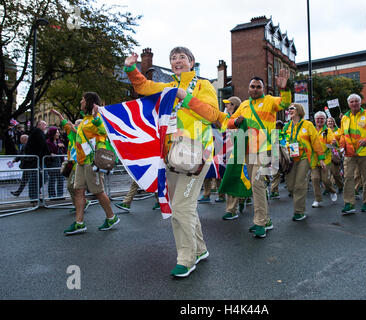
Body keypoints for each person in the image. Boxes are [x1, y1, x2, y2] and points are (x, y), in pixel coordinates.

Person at [124, 47, 228, 277]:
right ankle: (200, 250)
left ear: (192, 62)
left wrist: (185, 97)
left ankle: (187, 257)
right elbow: (143, 86)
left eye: (182, 57)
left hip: (197, 157)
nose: (177, 61)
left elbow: (212, 115)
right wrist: (131, 67)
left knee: (182, 207)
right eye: (173, 58)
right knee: (182, 206)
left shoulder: (203, 85)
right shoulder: (167, 87)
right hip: (171, 157)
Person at [225, 71, 291, 238]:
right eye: (252, 86)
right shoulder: (245, 105)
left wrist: (284, 89)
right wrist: (235, 121)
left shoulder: (269, 100)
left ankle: (260, 222)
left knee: (257, 183)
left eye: (258, 87)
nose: (255, 89)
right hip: (247, 150)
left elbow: (284, 103)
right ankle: (265, 220)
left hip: (264, 149)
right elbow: (229, 122)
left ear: (263, 88)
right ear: (248, 89)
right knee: (257, 185)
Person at [63, 92, 120, 235]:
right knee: (78, 191)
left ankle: (111, 217)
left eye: (82, 100)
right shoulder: (84, 121)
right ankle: (79, 223)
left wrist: (96, 117)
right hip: (81, 162)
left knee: (98, 192)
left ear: (89, 102)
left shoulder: (97, 118)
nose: (80, 102)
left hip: (92, 162)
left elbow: (104, 131)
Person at [283, 103, 325, 221]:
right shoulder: (287, 126)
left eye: (292, 108)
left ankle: (299, 211)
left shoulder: (308, 124)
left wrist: (321, 158)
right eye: (289, 108)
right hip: (290, 159)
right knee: (291, 186)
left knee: (299, 185)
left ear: (299, 110)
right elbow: (281, 140)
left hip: (304, 158)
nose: (289, 110)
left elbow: (316, 142)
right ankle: (299, 205)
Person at [339, 94, 366, 214]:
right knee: (348, 178)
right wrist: (341, 146)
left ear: (360, 103)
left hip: (364, 152)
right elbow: (342, 134)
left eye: (356, 101)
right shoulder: (345, 117)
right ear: (348, 104)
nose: (354, 103)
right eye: (351, 102)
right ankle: (349, 204)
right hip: (349, 153)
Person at [50, 109, 90, 213]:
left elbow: (81, 136)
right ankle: (81, 204)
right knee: (73, 187)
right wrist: (59, 114)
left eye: (77, 124)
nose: (74, 126)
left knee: (71, 186)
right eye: (75, 124)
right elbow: (65, 123)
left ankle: (81, 204)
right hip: (73, 164)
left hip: (80, 164)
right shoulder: (72, 134)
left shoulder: (85, 135)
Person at [311, 111, 338, 207]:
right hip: (314, 159)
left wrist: (333, 142)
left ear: (325, 120)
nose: (319, 120)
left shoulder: (327, 131)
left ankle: (332, 191)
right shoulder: (312, 130)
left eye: (322, 118)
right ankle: (317, 200)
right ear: (315, 120)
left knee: (325, 180)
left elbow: (331, 140)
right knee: (315, 179)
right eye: (318, 118)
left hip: (325, 160)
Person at [25, 120, 50, 200]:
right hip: (37, 159)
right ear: (39, 125)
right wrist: (48, 154)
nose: (46, 126)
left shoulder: (38, 133)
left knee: (42, 177)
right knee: (37, 177)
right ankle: (34, 195)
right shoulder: (37, 132)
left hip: (39, 159)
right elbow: (42, 145)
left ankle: (35, 194)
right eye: (44, 124)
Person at [46, 126, 66, 199]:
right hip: (52, 163)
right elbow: (50, 152)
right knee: (52, 179)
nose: (58, 134)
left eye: (58, 132)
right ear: (53, 133)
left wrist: (62, 147)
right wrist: (57, 146)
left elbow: (63, 150)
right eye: (57, 132)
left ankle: (60, 195)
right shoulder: (48, 142)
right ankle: (52, 195)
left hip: (60, 162)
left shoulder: (59, 141)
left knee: (61, 179)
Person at [326, 117, 344, 193]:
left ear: (334, 122)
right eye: (328, 121)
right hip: (326, 152)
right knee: (326, 173)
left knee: (335, 173)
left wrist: (340, 149)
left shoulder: (338, 131)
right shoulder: (324, 131)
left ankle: (340, 186)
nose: (330, 122)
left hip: (335, 153)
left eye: (331, 121)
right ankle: (328, 188)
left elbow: (342, 141)